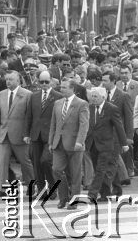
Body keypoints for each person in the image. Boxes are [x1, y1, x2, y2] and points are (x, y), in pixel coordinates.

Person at [49, 78, 89, 210]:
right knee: (56, 169)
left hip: (74, 144)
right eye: (61, 87)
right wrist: (51, 142)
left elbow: (84, 125)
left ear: (72, 89)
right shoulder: (57, 103)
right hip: (58, 143)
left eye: (64, 87)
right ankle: (63, 196)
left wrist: (80, 141)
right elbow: (53, 125)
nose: (61, 90)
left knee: (75, 173)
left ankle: (74, 200)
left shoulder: (81, 104)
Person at [0, 71, 33, 197]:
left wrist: (27, 134)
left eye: (11, 79)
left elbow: (29, 117)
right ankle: (1, 188)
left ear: (18, 80)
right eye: (6, 79)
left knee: (25, 161)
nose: (8, 82)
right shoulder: (1, 94)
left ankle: (32, 185)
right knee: (2, 162)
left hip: (20, 134)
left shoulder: (27, 94)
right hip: (4, 133)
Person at [86, 87, 127, 202]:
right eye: (92, 96)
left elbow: (119, 126)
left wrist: (124, 143)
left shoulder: (111, 108)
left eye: (95, 96)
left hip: (107, 144)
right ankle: (109, 192)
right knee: (100, 168)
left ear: (103, 97)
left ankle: (92, 193)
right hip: (93, 144)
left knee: (101, 169)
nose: (93, 99)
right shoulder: (89, 108)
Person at [25, 71, 62, 199]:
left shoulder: (58, 96)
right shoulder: (33, 96)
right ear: (38, 82)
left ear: (51, 81)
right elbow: (29, 116)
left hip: (50, 135)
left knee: (45, 161)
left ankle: (53, 187)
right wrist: (26, 134)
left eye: (47, 81)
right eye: (42, 82)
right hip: (36, 134)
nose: (44, 84)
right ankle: (41, 190)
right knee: (37, 164)